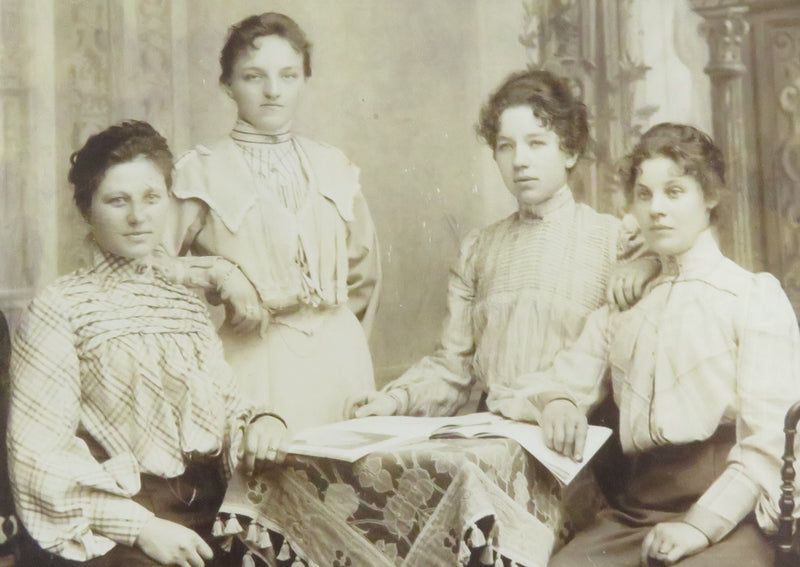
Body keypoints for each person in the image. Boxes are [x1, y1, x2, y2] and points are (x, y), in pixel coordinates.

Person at [494, 123, 800, 566]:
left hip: (729, 512)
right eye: (644, 194)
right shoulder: (625, 305)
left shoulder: (751, 296)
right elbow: (552, 381)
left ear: (709, 197)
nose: (656, 209)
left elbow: (770, 441)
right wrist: (557, 400)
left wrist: (699, 525)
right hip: (635, 512)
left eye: (674, 192)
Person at [8, 121, 290, 567]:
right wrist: (141, 529)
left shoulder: (184, 300)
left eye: (151, 199)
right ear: (87, 210)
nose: (138, 218)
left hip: (211, 509)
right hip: (124, 518)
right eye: (117, 201)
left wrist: (263, 422)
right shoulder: (60, 306)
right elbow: (38, 456)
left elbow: (227, 408)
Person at [348, 69, 653, 420]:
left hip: (579, 440)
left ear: (569, 152)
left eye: (536, 143)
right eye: (506, 146)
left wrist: (648, 263)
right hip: (496, 438)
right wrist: (395, 400)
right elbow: (452, 368)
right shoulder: (479, 250)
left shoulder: (615, 242)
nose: (520, 160)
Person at [161, 12, 380, 431]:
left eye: (288, 75)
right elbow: (149, 264)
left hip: (341, 365)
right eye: (253, 76)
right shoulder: (199, 172)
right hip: (252, 364)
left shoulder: (335, 165)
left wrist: (334, 334)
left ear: (304, 80)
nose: (273, 91)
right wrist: (220, 274)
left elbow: (364, 276)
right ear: (228, 84)